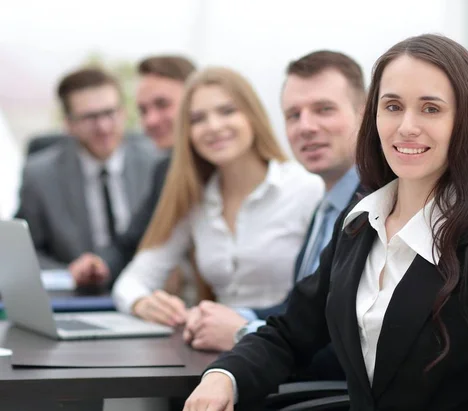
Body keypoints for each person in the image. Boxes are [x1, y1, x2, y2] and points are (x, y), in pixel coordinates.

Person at [184, 34, 468, 411]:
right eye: (393, 106)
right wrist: (225, 376)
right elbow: (289, 333)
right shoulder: (359, 223)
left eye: (430, 108)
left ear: (464, 121)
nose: (406, 127)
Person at [182, 52, 365, 376]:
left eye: (324, 109)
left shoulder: (376, 208)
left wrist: (242, 333)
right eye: (293, 115)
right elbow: (304, 315)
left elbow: (359, 345)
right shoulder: (327, 205)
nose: (306, 126)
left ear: (364, 114)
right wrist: (236, 314)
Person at [112, 67, 324, 328]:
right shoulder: (196, 198)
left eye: (227, 111)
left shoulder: (307, 189)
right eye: (198, 119)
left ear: (252, 116)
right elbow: (132, 281)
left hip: (285, 348)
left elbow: (322, 305)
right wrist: (142, 303)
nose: (213, 127)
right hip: (212, 350)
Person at [68, 55, 197, 287]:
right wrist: (100, 265)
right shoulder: (166, 171)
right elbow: (132, 245)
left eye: (162, 104)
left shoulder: (238, 174)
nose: (150, 121)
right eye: (143, 110)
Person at [16, 67, 158, 270]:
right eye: (90, 117)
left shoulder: (155, 164)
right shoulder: (39, 175)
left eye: (110, 113)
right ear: (68, 123)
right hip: (77, 295)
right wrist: (69, 273)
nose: (104, 127)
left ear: (124, 112)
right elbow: (25, 251)